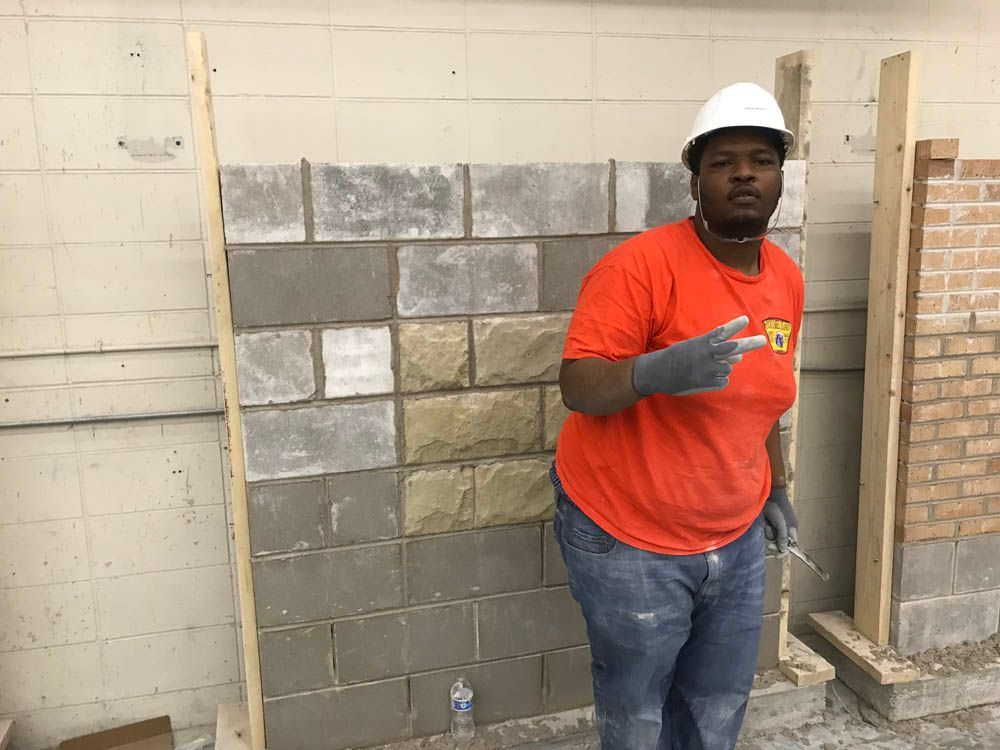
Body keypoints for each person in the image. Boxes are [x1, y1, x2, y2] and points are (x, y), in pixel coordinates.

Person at [552, 82, 804, 750]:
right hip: (628, 537)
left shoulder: (786, 278)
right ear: (695, 181)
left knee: (716, 706)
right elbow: (577, 384)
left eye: (761, 159)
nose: (744, 172)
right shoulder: (638, 268)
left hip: (735, 537)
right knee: (638, 713)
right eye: (723, 162)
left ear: (781, 178)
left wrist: (774, 487)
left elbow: (766, 397)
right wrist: (654, 372)